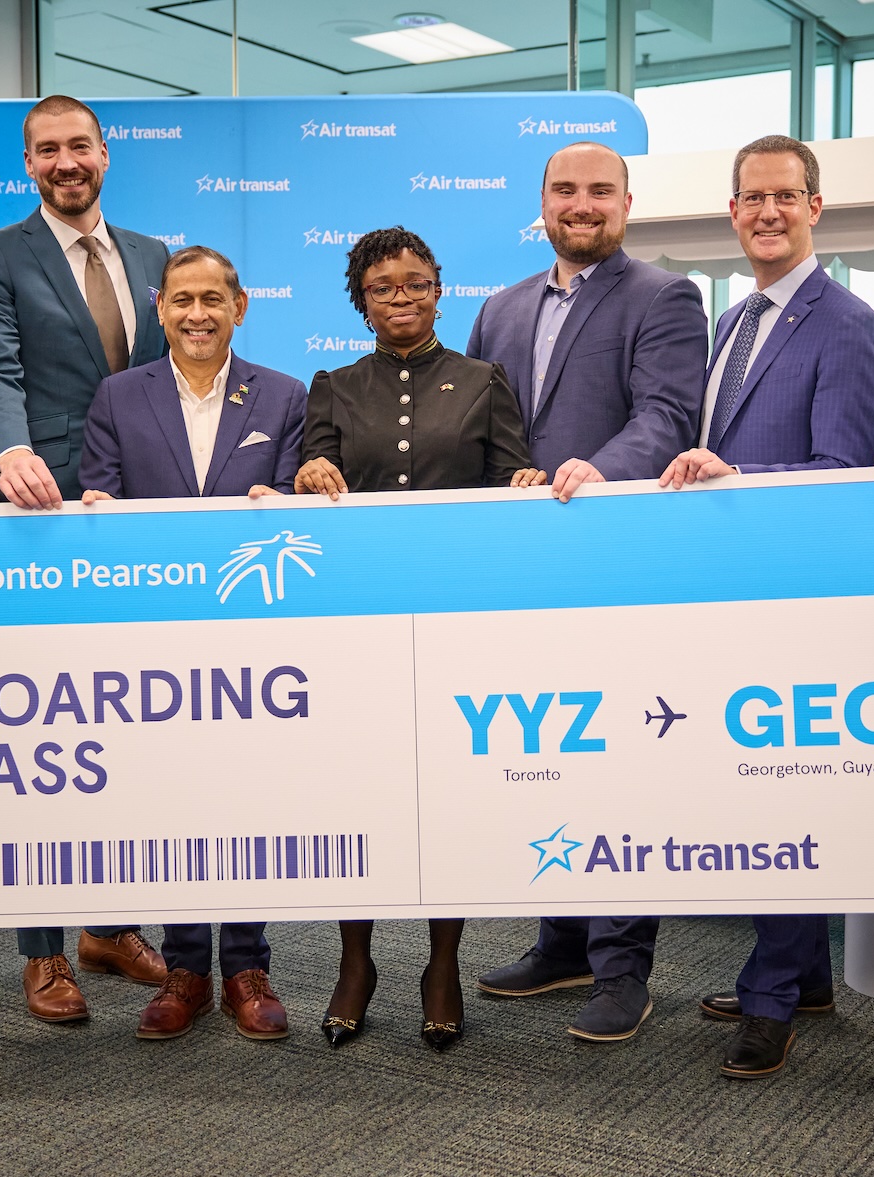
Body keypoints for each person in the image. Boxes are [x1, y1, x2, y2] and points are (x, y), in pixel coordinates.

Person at [657, 134, 874, 1080]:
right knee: (750, 783)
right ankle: (806, 976)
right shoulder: (731, 320)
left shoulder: (849, 324)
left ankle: (771, 999)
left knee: (780, 787)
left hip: (798, 595)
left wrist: (735, 474)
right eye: (752, 198)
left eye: (785, 197)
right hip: (730, 589)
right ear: (732, 212)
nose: (767, 212)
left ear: (815, 208)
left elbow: (841, 476)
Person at [469, 141, 708, 1043]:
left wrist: (598, 471)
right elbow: (474, 421)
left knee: (617, 763)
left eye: (600, 191)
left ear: (626, 204)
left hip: (615, 564)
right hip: (520, 573)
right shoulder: (499, 308)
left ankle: (621, 965)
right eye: (565, 190)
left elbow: (667, 415)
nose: (582, 204)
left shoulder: (664, 296)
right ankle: (563, 938)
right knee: (546, 751)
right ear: (542, 204)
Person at [297, 225, 547, 1053]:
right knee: (356, 789)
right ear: (361, 302)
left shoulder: (483, 380)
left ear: (439, 290)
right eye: (382, 287)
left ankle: (442, 963)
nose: (400, 297)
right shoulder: (333, 385)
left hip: (454, 615)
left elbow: (512, 478)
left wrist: (523, 483)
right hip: (358, 618)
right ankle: (355, 963)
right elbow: (312, 477)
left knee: (447, 790)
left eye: (415, 282)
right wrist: (311, 473)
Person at [0, 93, 170, 1022]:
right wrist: (10, 450)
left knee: (130, 728)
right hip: (41, 514)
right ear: (28, 163)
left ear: (105, 152)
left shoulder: (156, 256)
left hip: (142, 519)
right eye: (46, 150)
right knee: (48, 738)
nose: (65, 162)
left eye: (78, 145)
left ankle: (110, 925)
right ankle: (44, 949)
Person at [78, 245, 303, 1043]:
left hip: (254, 639)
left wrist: (285, 502)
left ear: (239, 306)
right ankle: (185, 969)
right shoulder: (119, 395)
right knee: (169, 794)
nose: (197, 314)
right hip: (156, 635)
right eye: (182, 300)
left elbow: (298, 507)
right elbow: (100, 497)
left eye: (212, 298)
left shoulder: (284, 394)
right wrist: (97, 512)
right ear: (161, 309)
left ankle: (246, 965)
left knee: (248, 794)